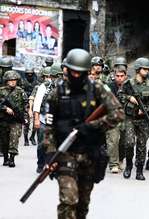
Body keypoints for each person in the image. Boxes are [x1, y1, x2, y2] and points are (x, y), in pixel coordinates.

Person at [43, 48, 124, 218]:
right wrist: (50, 152)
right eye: (73, 72)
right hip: (65, 153)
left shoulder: (97, 89)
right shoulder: (57, 93)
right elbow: (49, 127)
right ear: (66, 70)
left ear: (87, 71)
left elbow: (118, 113)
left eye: (80, 72)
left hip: (90, 154)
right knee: (68, 200)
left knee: (82, 205)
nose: (76, 76)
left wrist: (93, 126)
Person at [119, 57, 149, 180]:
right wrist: (129, 99)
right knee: (129, 143)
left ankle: (139, 170)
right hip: (130, 118)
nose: (147, 71)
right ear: (138, 69)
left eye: (148, 69)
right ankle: (128, 167)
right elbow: (120, 95)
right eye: (145, 69)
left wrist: (146, 109)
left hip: (143, 119)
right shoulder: (128, 83)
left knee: (142, 146)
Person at [0, 70, 28, 167]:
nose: (13, 82)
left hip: (16, 120)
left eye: (14, 80)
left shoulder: (20, 91)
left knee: (14, 138)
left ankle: (12, 159)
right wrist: (5, 108)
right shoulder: (1, 91)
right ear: (6, 81)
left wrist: (26, 117)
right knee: (4, 140)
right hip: (3, 119)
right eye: (10, 80)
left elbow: (26, 105)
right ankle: (5, 158)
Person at [33, 67, 57, 173]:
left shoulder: (65, 87)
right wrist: (36, 119)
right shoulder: (44, 86)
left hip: (57, 121)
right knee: (42, 144)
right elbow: (37, 103)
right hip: (43, 119)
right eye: (55, 76)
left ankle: (51, 164)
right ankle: (40, 164)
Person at [106, 65, 127, 173]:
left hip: (126, 117)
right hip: (112, 117)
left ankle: (120, 160)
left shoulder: (129, 86)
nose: (119, 78)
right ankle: (113, 163)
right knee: (113, 141)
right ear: (114, 76)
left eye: (121, 76)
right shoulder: (109, 86)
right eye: (117, 76)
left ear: (125, 76)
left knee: (124, 142)